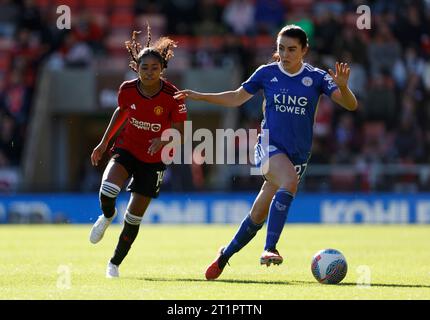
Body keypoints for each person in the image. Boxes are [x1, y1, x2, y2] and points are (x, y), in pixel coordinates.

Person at [175, 25, 358, 280]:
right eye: (281, 48)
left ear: (304, 50)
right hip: (268, 147)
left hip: (298, 155)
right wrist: (200, 96)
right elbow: (237, 97)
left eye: (292, 49)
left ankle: (224, 255)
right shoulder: (267, 73)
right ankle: (269, 248)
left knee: (259, 212)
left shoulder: (316, 78)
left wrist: (344, 87)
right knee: (289, 182)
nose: (285, 54)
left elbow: (350, 104)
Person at [89, 26, 187, 278]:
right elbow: (120, 113)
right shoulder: (127, 89)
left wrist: (163, 141)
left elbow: (179, 130)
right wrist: (103, 143)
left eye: (155, 67)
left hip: (154, 161)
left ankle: (114, 264)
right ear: (136, 68)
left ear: (162, 69)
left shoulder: (173, 95)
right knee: (108, 189)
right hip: (127, 148)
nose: (149, 72)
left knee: (133, 218)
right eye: (145, 67)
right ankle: (107, 215)